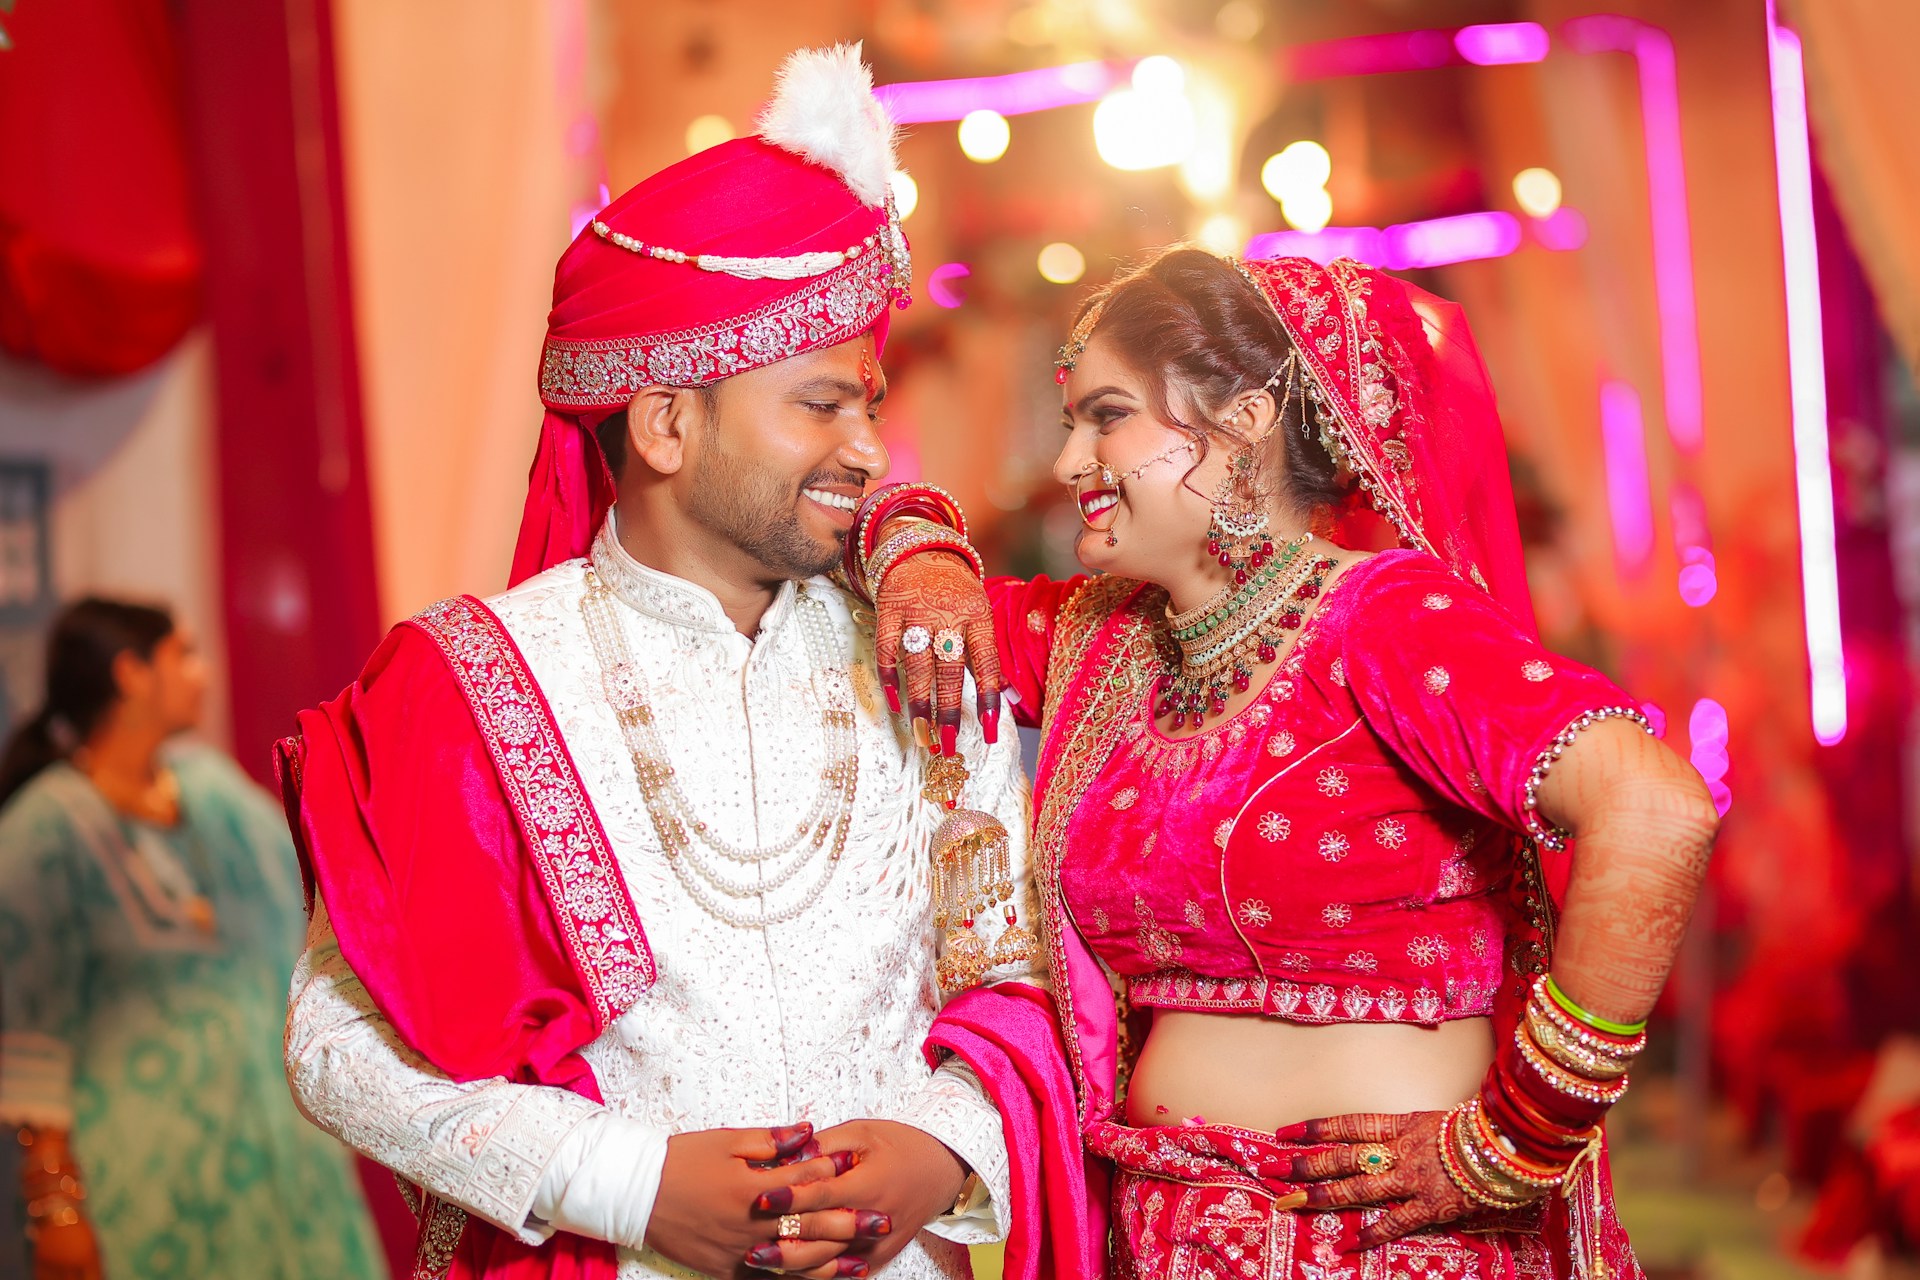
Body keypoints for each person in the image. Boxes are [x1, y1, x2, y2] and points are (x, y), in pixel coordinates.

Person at [278, 45, 1090, 1280]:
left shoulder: (925, 652)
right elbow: (336, 1045)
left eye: (869, 404)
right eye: (822, 405)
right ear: (666, 421)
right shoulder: (471, 687)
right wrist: (632, 1182)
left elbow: (1017, 968)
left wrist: (944, 1148)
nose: (869, 449)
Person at [833, 247, 1721, 1277]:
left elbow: (1656, 808)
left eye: (1109, 415)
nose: (1073, 460)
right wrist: (918, 540)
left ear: (1244, 420)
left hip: (1384, 1247)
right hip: (1156, 1236)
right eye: (1072, 420)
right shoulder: (1099, 638)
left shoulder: (1385, 620)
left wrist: (1519, 1134)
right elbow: (861, 573)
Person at [0, 598, 382, 1280]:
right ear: (131, 673)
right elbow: (34, 1037)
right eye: (185, 655)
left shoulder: (215, 794)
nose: (203, 675)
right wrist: (57, 1210)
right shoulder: (42, 834)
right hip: (148, 1187)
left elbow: (327, 885)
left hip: (288, 1165)